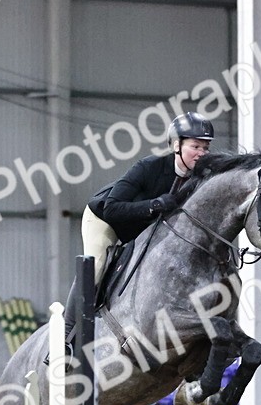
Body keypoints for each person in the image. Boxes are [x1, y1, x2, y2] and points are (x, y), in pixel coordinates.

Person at [82, 111, 214, 286]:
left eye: (205, 148)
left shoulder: (201, 178)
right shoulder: (149, 167)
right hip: (105, 219)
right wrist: (155, 204)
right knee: (96, 269)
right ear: (177, 145)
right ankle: (74, 305)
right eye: (195, 147)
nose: (202, 153)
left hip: (140, 229)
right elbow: (111, 208)